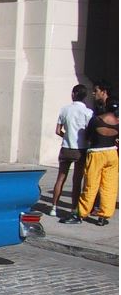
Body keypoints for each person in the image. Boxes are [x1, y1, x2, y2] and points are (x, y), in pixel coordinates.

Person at [62, 99, 118, 226]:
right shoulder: (117, 122)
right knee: (109, 186)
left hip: (97, 153)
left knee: (91, 185)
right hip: (112, 153)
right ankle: (103, 216)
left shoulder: (96, 120)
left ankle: (80, 214)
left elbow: (88, 137)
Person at [48, 85, 93, 217]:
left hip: (66, 147)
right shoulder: (88, 112)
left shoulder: (64, 109)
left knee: (61, 178)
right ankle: (74, 208)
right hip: (81, 148)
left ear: (73, 94)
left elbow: (58, 131)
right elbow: (90, 132)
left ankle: (53, 207)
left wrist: (66, 136)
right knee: (77, 180)